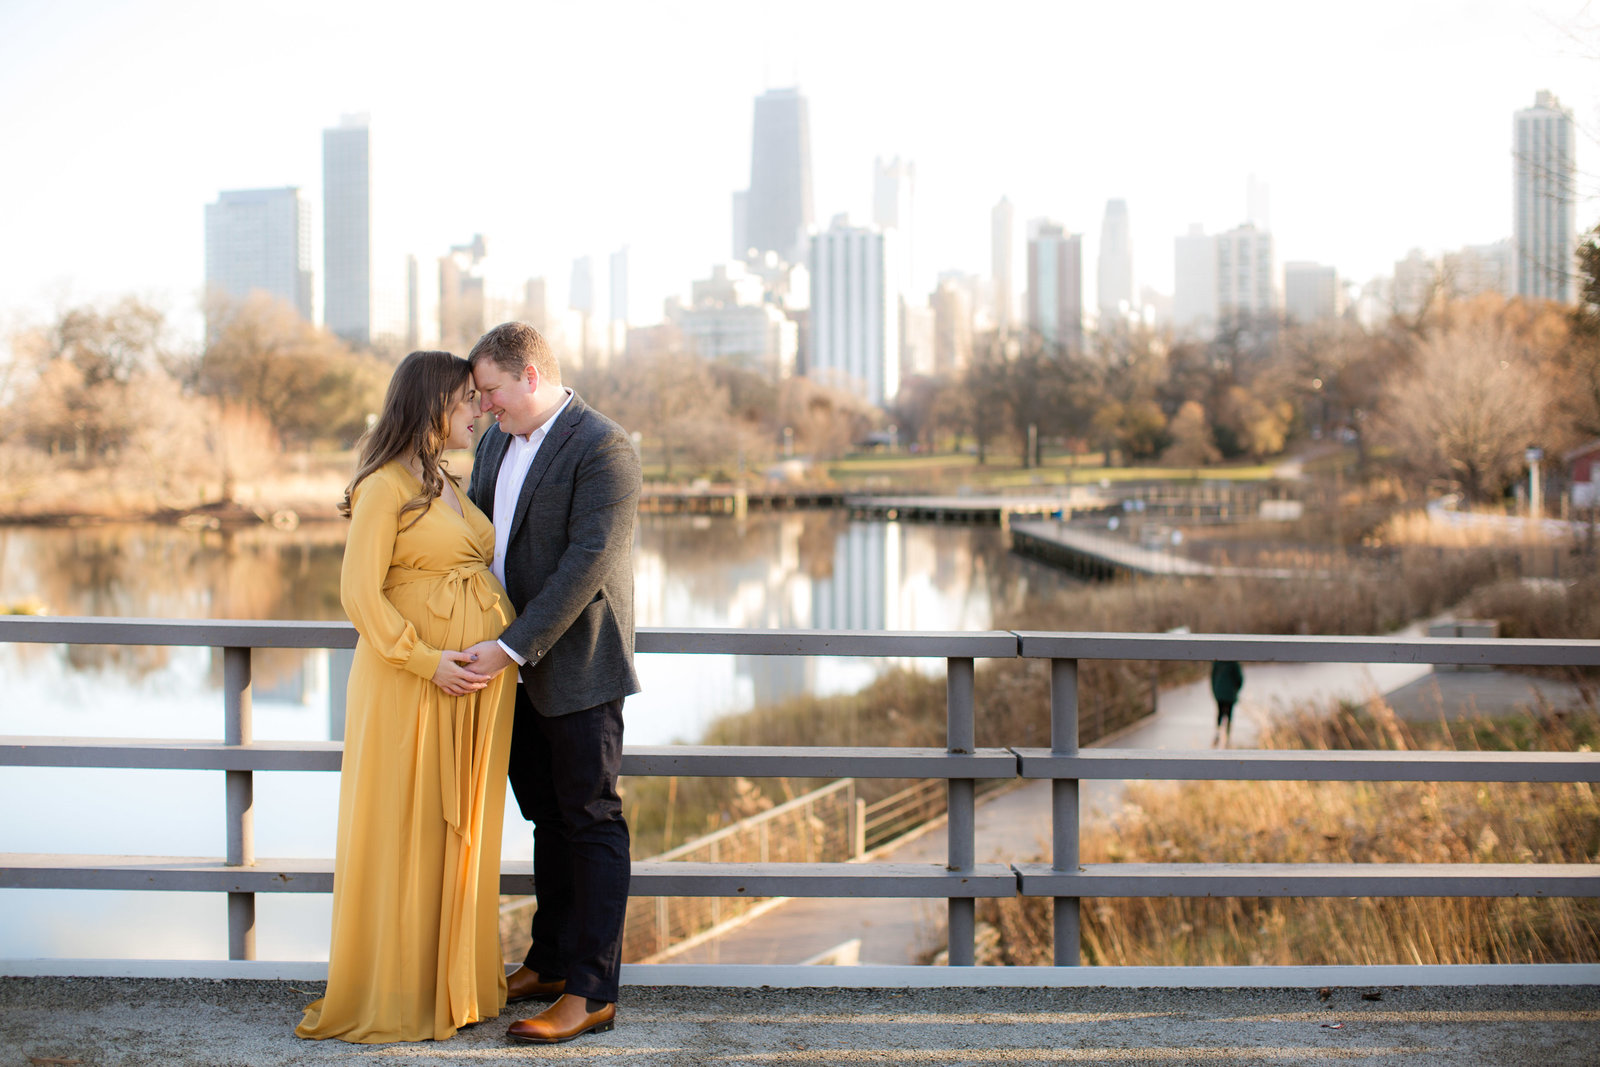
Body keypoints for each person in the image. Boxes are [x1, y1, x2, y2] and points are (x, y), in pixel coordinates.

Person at [297, 351, 515, 1044]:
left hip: (465, 687)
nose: (477, 410)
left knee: (461, 834)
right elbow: (358, 594)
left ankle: (452, 982)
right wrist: (428, 661)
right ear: (430, 406)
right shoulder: (384, 485)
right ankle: (399, 990)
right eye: (465, 401)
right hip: (412, 686)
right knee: (408, 829)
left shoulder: (443, 479)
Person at [462, 322, 641, 1046]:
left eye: (491, 390)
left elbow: (587, 564)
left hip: (574, 666)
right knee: (546, 819)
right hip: (510, 672)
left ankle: (592, 989)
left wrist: (510, 645)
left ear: (529, 375)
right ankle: (549, 959)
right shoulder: (495, 442)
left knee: (591, 820)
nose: (483, 406)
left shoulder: (603, 446)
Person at [1211, 660, 1244, 748]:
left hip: (1219, 693)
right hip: (1230, 693)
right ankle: (1227, 738)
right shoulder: (1234, 663)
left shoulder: (1217, 662)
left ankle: (1218, 733)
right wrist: (1236, 689)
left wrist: (1215, 690)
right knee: (1229, 715)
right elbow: (1239, 679)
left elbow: (1213, 677)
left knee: (1220, 713)